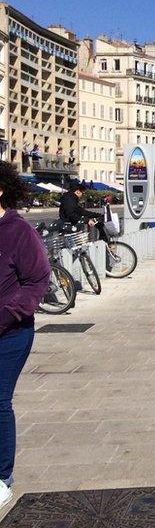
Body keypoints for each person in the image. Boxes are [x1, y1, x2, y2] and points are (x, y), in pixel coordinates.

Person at [0, 164, 51, 509]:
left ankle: (2, 478)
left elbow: (38, 279)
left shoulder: (17, 231)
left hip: (10, 334)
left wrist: (7, 315)